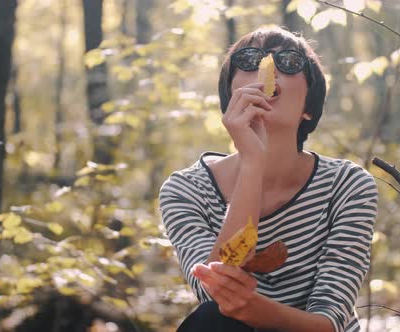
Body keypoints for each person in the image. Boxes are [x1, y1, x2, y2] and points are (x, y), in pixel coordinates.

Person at [158, 26, 378, 332]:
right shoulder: (186, 190)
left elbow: (328, 323)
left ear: (309, 109)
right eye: (249, 59)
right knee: (211, 321)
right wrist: (252, 163)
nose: (268, 67)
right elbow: (215, 294)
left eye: (289, 62)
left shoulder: (347, 185)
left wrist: (252, 309)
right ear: (229, 94)